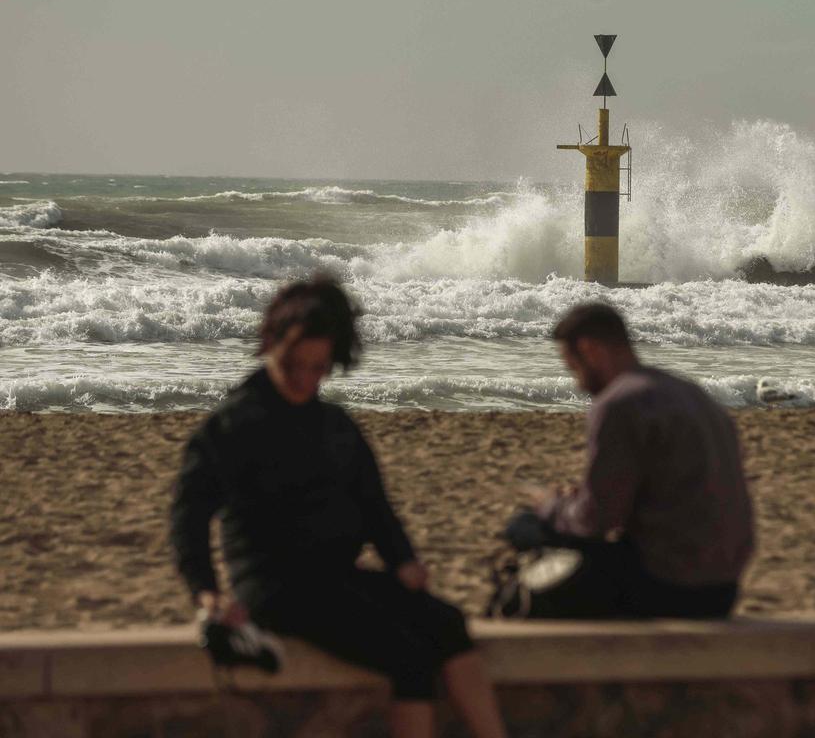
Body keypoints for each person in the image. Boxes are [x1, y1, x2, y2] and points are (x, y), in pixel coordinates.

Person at [169, 276, 507, 738]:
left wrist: (403, 560)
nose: (306, 379)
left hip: (336, 578)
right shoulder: (233, 424)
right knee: (410, 659)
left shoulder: (333, 424)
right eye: (295, 366)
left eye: (319, 368)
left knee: (448, 624)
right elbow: (189, 515)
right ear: (271, 344)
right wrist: (206, 592)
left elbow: (372, 501)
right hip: (275, 587)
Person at [524, 302, 755, 618]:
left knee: (525, 529)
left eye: (572, 368)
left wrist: (552, 506)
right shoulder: (691, 393)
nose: (577, 382)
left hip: (671, 586)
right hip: (725, 587)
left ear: (589, 350)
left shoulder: (619, 403)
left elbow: (596, 519)